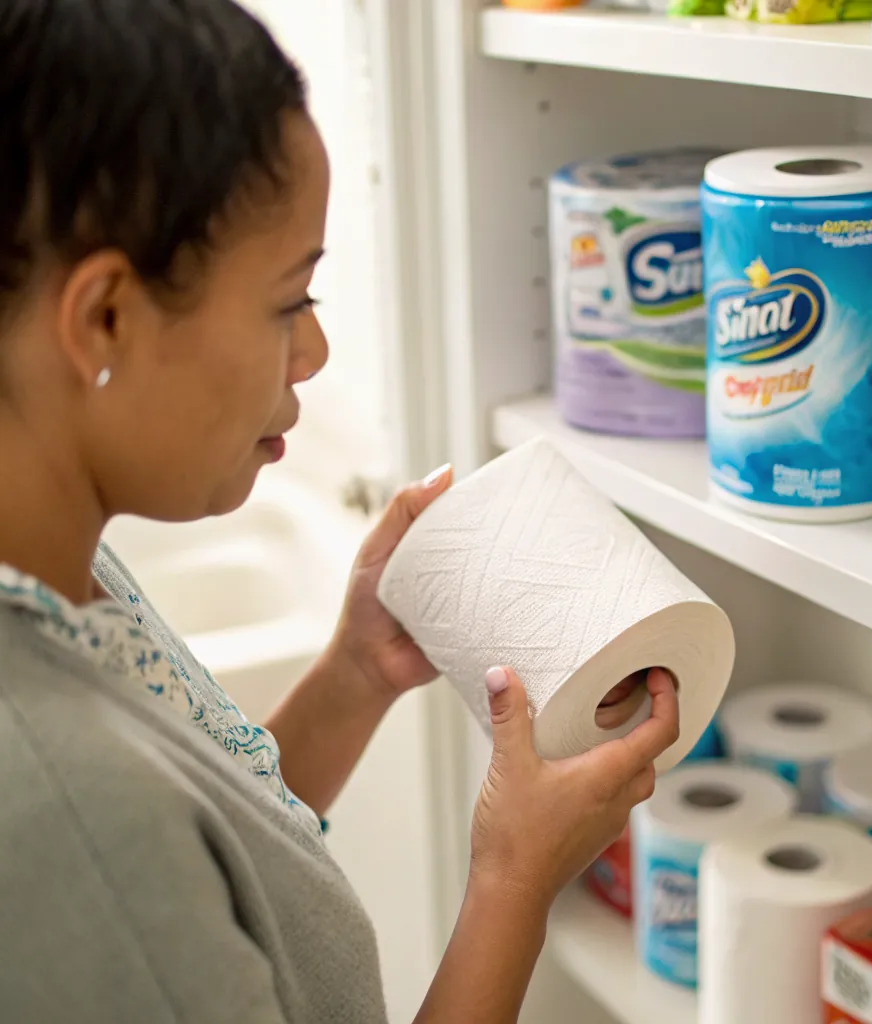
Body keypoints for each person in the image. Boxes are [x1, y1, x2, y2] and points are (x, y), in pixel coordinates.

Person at [0, 2, 680, 1021]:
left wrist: (353, 675)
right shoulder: (61, 811)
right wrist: (514, 881)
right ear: (105, 317)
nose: (312, 353)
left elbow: (208, 859)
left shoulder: (55, 564)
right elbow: (128, 840)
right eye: (287, 301)